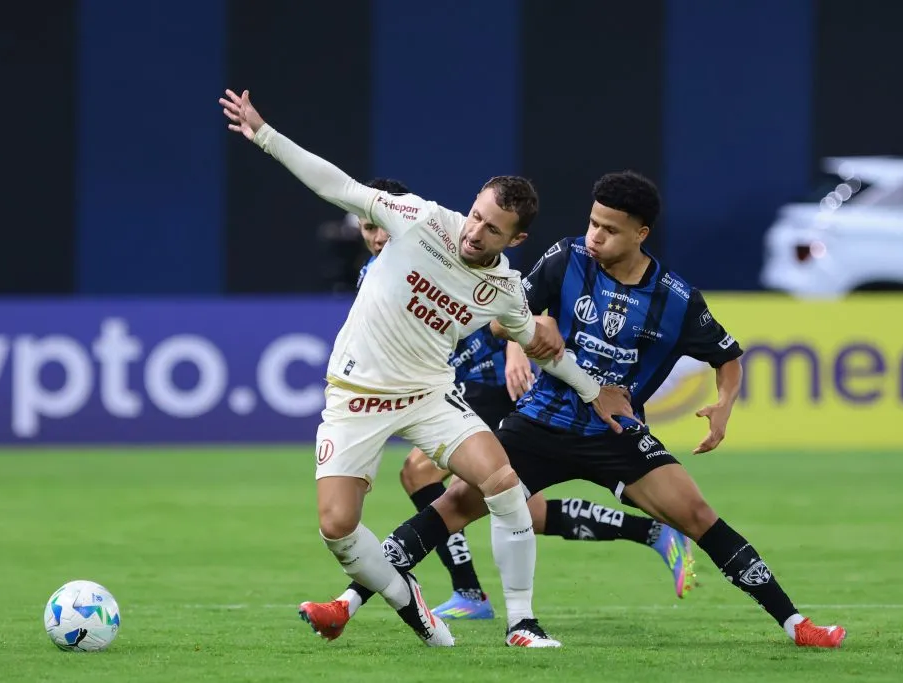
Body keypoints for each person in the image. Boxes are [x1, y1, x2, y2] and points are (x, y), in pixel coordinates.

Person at [313, 170, 847, 649]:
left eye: (610, 230)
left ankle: (796, 624)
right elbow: (508, 313)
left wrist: (725, 406)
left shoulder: (677, 298)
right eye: (593, 223)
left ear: (641, 233)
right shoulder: (566, 257)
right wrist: (522, 346)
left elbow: (728, 357)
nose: (595, 237)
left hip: (615, 432)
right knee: (453, 504)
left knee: (698, 515)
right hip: (541, 422)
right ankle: (348, 602)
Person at [219, 89, 635, 648]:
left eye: (492, 230)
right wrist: (264, 134)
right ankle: (407, 602)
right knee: (336, 526)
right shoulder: (422, 220)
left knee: (503, 482)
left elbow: (543, 346)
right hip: (355, 395)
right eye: (477, 215)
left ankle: (521, 623)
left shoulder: (505, 290)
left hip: (427, 395)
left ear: (516, 239)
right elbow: (336, 185)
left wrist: (593, 391)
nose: (474, 232)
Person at [308, 179, 695, 635]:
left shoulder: (436, 240)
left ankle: (469, 595)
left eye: (379, 224)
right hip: (447, 385)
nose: (376, 236)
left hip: (497, 386)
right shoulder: (382, 267)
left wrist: (523, 341)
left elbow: (528, 317)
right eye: (366, 227)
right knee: (512, 505)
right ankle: (646, 534)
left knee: (435, 475)